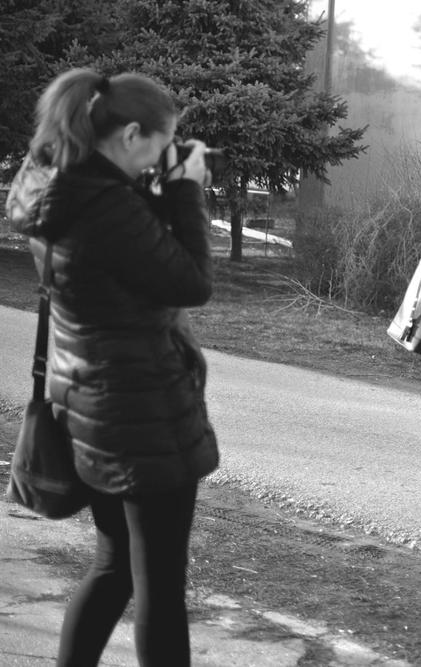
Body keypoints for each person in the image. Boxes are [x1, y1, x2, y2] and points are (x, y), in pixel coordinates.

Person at [5, 68, 216, 667]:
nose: (161, 155)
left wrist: (157, 188)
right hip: (142, 416)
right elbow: (191, 281)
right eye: (159, 142)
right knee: (159, 590)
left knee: (114, 565)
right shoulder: (104, 208)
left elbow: (131, 257)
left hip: (91, 406)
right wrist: (186, 191)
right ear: (129, 135)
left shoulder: (62, 185)